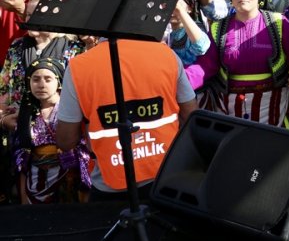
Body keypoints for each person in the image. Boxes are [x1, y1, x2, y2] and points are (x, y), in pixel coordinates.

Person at [56, 39, 197, 199]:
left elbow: (66, 140)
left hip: (111, 183)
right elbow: (190, 114)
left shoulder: (78, 67)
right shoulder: (166, 54)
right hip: (166, 176)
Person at [185, 0, 289, 128]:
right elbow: (205, 66)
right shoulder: (218, 28)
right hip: (230, 109)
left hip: (273, 108)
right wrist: (179, 81)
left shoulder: (278, 23)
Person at [13, 57, 90, 204]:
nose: (41, 85)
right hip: (35, 177)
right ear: (28, 83)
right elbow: (21, 158)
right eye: (36, 79)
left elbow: (83, 146)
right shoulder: (26, 113)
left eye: (48, 79)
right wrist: (23, 197)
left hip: (68, 176)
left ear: (59, 82)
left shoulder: (70, 110)